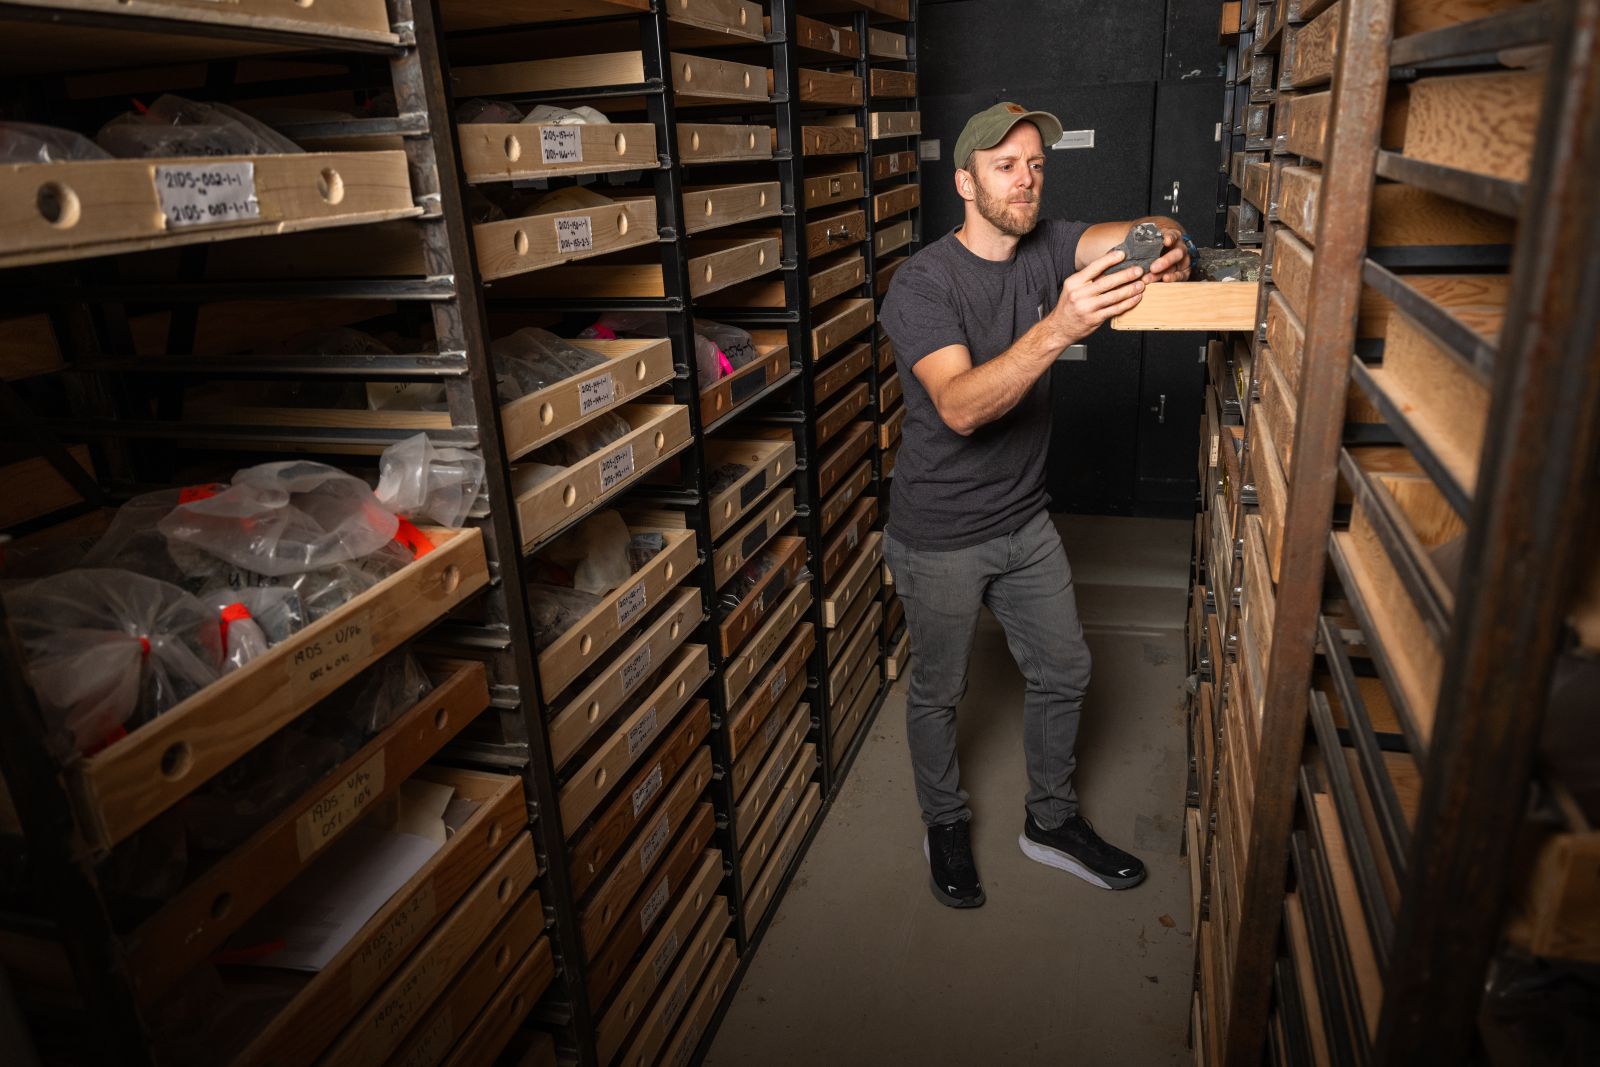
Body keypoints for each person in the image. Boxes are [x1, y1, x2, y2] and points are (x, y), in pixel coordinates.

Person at [878, 102, 1192, 908]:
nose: (1026, 180)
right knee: (938, 692)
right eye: (1006, 166)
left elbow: (1138, 228)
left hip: (1023, 520)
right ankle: (943, 819)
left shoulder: (1048, 242)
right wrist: (1061, 324)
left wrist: (1165, 243)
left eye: (1036, 164)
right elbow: (959, 406)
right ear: (964, 182)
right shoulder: (922, 283)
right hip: (940, 532)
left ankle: (1050, 820)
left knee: (1065, 670)